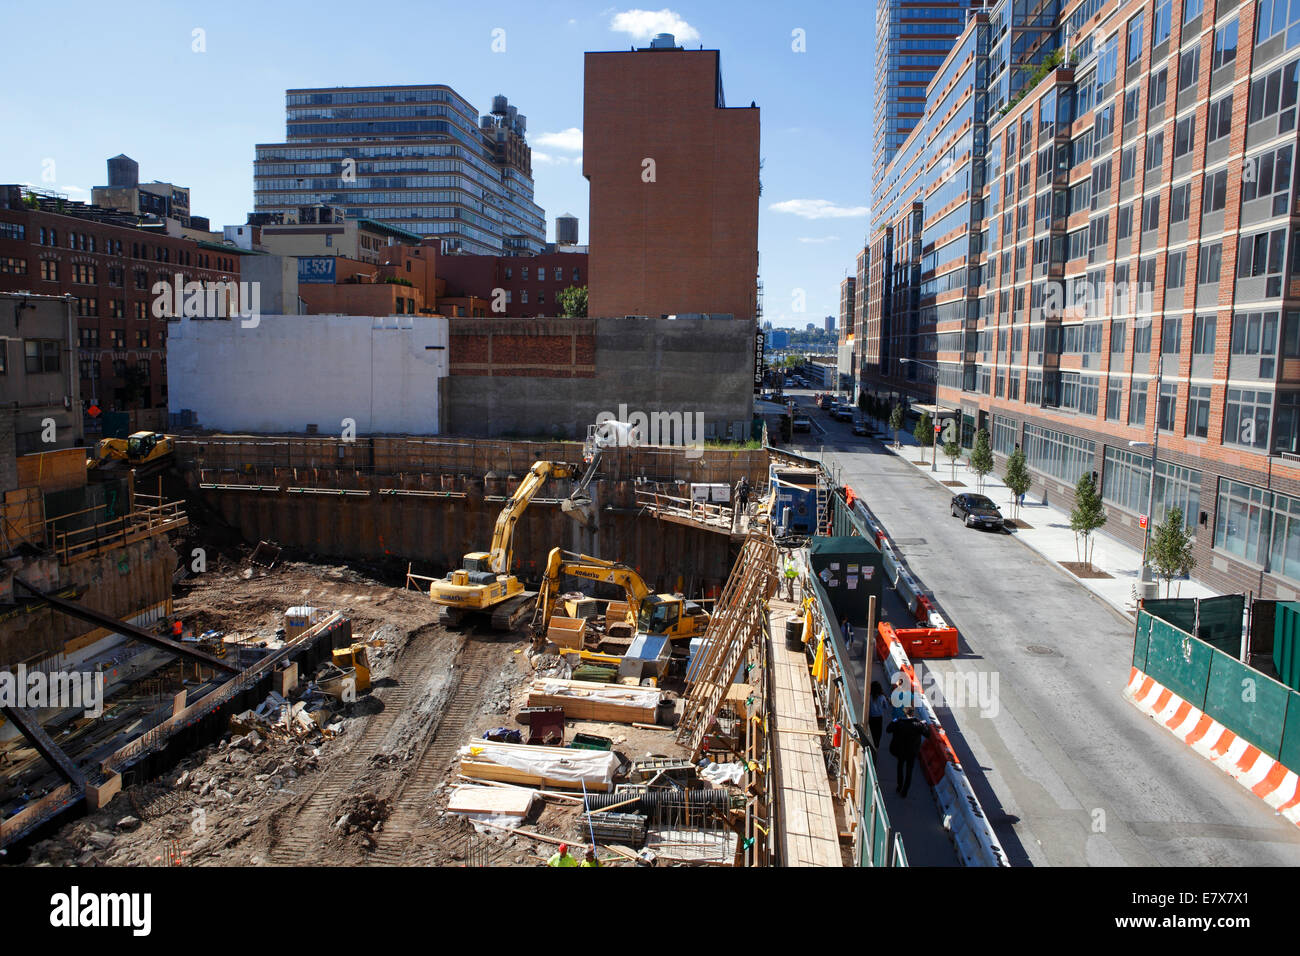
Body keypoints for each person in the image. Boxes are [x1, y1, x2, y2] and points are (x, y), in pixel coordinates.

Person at [886, 706, 932, 798]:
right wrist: (924, 725)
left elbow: (888, 730)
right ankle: (905, 791)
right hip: (912, 752)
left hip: (901, 751)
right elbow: (928, 734)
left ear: (905, 713)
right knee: (909, 771)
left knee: (900, 767)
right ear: (912, 713)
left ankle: (899, 786)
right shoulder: (918, 724)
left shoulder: (899, 723)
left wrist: (894, 721)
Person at [868, 681, 888, 751]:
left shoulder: (869, 696)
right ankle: (876, 748)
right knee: (878, 734)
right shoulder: (882, 697)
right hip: (879, 718)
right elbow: (886, 707)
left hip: (870, 717)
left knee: (872, 733)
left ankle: (871, 747)